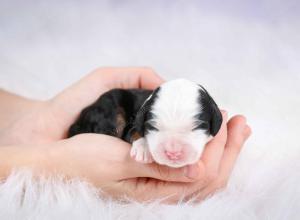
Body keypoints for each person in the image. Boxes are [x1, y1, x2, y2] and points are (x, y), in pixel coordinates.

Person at [0, 67, 251, 203]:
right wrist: (48, 161)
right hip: (112, 108)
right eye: (157, 128)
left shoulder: (209, 116)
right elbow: (133, 124)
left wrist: (34, 122)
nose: (173, 149)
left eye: (193, 130)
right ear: (145, 120)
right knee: (111, 115)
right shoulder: (136, 112)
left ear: (213, 123)